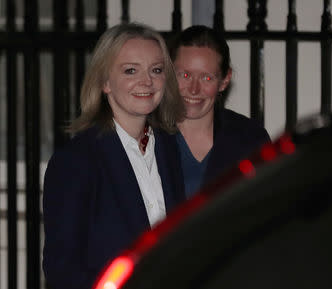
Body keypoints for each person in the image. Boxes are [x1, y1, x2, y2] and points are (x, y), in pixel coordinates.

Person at [42, 22, 185, 289]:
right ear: (105, 82)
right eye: (131, 70)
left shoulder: (169, 148)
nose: (147, 81)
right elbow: (62, 271)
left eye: (156, 70)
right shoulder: (75, 161)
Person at [168, 25, 271, 198]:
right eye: (185, 75)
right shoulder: (146, 136)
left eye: (206, 78)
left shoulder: (250, 138)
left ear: (224, 80)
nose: (194, 89)